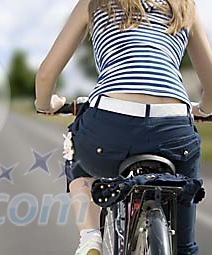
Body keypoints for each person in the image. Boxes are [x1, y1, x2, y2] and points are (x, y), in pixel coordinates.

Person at [34, 0, 212, 254]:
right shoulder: (184, 5)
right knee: (185, 244)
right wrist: (204, 109)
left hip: (110, 125)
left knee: (76, 154)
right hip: (175, 128)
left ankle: (90, 237)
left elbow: (45, 75)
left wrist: (46, 104)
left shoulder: (95, 3)